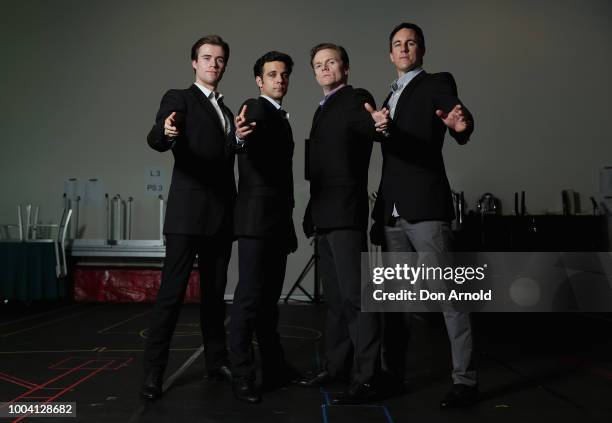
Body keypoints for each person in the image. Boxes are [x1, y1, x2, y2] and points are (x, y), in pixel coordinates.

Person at [370, 22, 478, 408]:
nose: (403, 49)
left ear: (421, 50)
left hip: (427, 209)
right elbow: (394, 156)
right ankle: (392, 376)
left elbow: (458, 117)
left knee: (450, 298)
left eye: (410, 43)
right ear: (390, 53)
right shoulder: (389, 97)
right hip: (393, 213)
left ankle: (465, 381)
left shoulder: (435, 82)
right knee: (395, 303)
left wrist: (461, 127)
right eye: (397, 44)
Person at [141, 35, 236, 400]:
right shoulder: (178, 98)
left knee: (214, 298)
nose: (214, 63)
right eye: (207, 57)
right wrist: (165, 132)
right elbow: (157, 135)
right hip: (187, 216)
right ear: (194, 63)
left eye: (220, 59)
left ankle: (217, 362)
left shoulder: (227, 113)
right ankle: (153, 373)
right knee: (171, 296)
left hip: (221, 217)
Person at [300, 42, 389, 405]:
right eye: (318, 64)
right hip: (323, 215)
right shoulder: (321, 109)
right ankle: (337, 366)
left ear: (345, 68)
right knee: (335, 301)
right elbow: (320, 168)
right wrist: (311, 212)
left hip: (346, 215)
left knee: (356, 298)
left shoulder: (355, 98)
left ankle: (368, 376)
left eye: (331, 62)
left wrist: (380, 124)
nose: (324, 68)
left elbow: (373, 127)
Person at [228, 51, 301, 404]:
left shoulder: (282, 118)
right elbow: (246, 141)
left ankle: (274, 367)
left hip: (276, 221)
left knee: (269, 302)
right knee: (249, 299)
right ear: (260, 80)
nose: (280, 79)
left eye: (284, 74)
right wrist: (240, 138)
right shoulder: (255, 108)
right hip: (257, 221)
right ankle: (242, 374)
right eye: (273, 74)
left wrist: (287, 222)